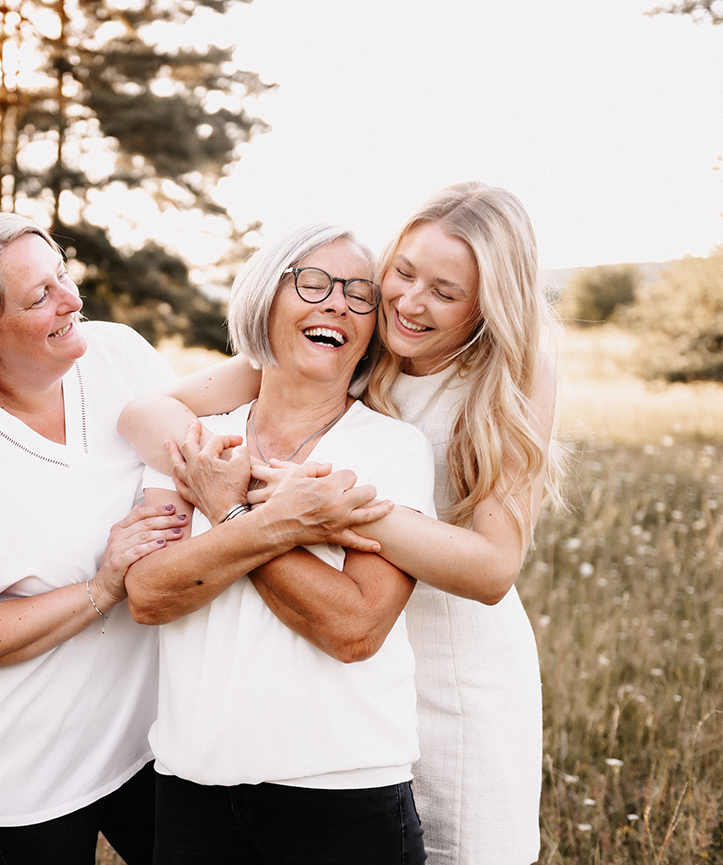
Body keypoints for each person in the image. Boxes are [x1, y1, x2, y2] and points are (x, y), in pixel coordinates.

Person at [120, 182, 563, 865]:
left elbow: (492, 569)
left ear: (487, 304)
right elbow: (147, 414)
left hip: (454, 664)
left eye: (445, 293)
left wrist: (322, 505)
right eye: (402, 273)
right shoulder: (354, 339)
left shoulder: (509, 376)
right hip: (342, 670)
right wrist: (234, 480)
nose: (410, 302)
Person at [123, 223, 437, 864]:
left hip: (343, 797)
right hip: (193, 792)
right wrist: (274, 523)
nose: (338, 303)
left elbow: (354, 628)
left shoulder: (392, 449)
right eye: (314, 283)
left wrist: (227, 510)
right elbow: (150, 595)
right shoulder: (197, 442)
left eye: (359, 293)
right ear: (265, 298)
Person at [0, 212, 187, 865]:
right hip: (23, 771)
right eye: (39, 296)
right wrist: (103, 586)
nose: (71, 299)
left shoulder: (118, 355)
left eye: (62, 274)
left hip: (144, 737)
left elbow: (192, 438)